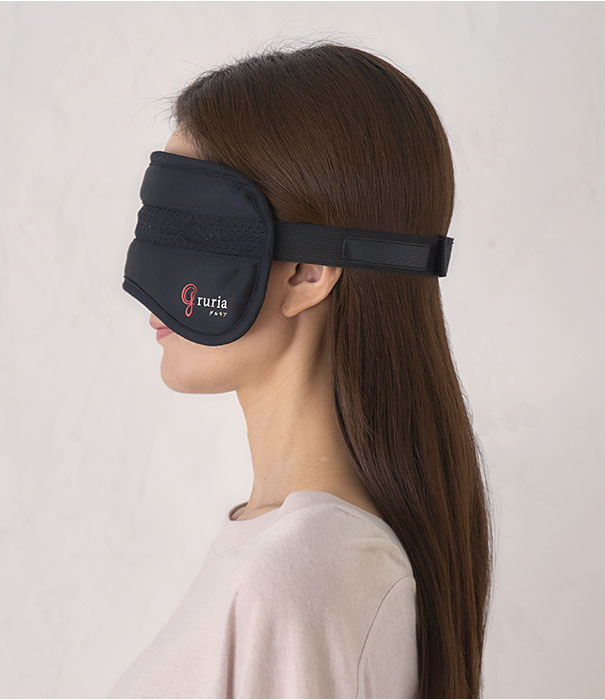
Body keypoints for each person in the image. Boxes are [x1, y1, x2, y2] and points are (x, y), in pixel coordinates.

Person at [109, 41, 494, 699]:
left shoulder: (301, 574)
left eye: (194, 233)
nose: (149, 278)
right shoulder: (288, 551)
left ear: (308, 272)